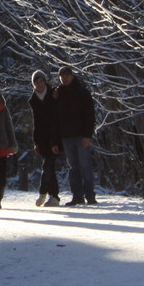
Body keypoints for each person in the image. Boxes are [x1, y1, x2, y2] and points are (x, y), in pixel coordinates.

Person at [56, 66, 98, 206]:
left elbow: (90, 115)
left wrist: (87, 134)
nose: (65, 78)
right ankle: (77, 196)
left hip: (81, 135)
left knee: (85, 165)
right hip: (66, 136)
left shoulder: (82, 92)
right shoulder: (58, 93)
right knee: (73, 167)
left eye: (67, 75)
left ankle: (90, 195)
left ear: (72, 76)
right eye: (62, 76)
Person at [28, 70, 62, 206]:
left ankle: (43, 192)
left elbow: (56, 119)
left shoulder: (54, 94)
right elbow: (36, 122)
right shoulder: (33, 100)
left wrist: (54, 141)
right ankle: (54, 197)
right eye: (37, 82)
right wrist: (35, 142)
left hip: (55, 136)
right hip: (42, 139)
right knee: (50, 167)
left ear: (45, 81)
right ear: (34, 84)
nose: (40, 84)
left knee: (48, 165)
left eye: (41, 81)